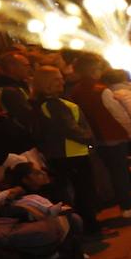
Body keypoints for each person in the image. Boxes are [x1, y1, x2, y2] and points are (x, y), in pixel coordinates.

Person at [67, 55, 131, 220]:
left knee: (110, 173)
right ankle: (128, 206)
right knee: (120, 173)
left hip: (96, 137)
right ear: (93, 69)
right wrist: (130, 131)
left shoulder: (75, 91)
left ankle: (120, 202)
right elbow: (118, 115)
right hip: (113, 135)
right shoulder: (101, 90)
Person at [31, 64, 102, 237]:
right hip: (72, 154)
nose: (61, 81)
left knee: (79, 191)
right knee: (83, 192)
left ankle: (86, 227)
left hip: (69, 153)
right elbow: (69, 129)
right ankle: (90, 229)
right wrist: (90, 141)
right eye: (56, 79)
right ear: (46, 82)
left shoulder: (47, 103)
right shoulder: (53, 104)